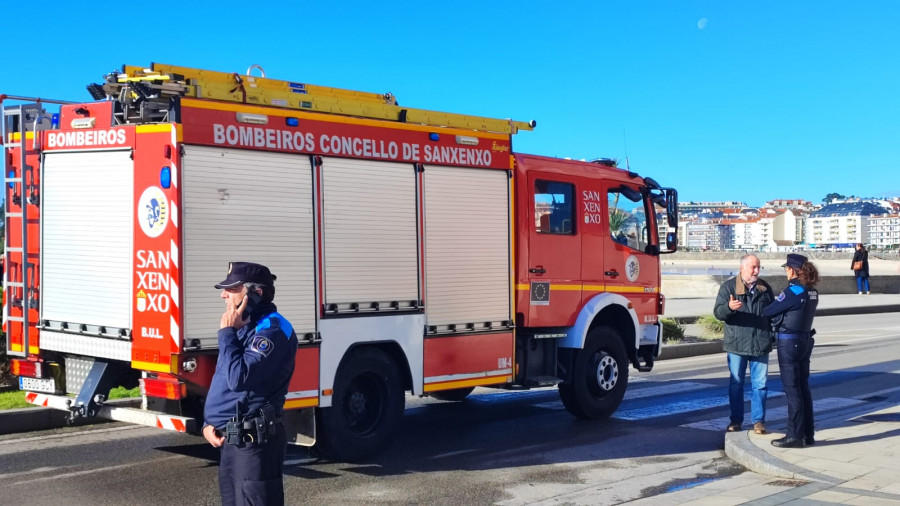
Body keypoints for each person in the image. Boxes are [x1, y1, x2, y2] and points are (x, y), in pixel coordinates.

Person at [202, 261, 298, 506]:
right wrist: (210, 422)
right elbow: (222, 381)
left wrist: (226, 334)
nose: (223, 294)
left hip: (255, 443)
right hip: (232, 440)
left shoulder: (272, 331)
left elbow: (239, 378)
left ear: (256, 294)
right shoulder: (243, 328)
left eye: (232, 289)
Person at [713, 254, 775, 435]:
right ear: (742, 268)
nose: (756, 271)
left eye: (758, 267)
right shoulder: (729, 287)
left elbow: (773, 314)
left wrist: (772, 334)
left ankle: (759, 421)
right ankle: (736, 420)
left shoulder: (765, 288)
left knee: (760, 385)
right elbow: (718, 313)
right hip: (737, 344)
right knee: (736, 384)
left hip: (760, 344)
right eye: (753, 267)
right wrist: (729, 308)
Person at [763, 253, 819, 448]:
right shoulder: (812, 292)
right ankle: (808, 434)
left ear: (792, 270)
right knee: (803, 388)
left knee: (792, 390)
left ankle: (794, 435)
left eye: (786, 268)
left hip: (790, 344)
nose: (785, 271)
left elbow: (768, 311)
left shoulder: (793, 291)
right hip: (804, 342)